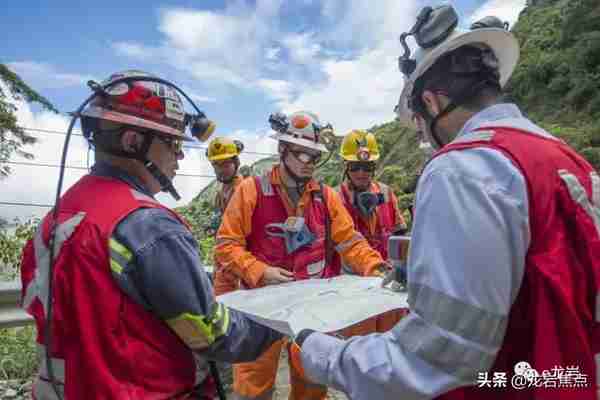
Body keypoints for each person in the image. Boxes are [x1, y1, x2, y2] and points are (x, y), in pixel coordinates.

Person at [290, 5, 600, 400]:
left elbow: (437, 357)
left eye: (418, 121)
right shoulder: (570, 161)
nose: (425, 136)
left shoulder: (461, 167)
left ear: (432, 103)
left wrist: (324, 355)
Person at [20, 70, 281, 400]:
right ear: (133, 141)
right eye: (172, 142)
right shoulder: (150, 226)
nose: (180, 156)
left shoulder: (60, 214)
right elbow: (212, 334)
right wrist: (281, 321)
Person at [215, 110, 390, 400]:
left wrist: (377, 267)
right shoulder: (251, 191)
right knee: (252, 389)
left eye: (315, 156)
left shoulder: (324, 196)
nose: (310, 164)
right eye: (304, 155)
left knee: (312, 385)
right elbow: (226, 246)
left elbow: (351, 242)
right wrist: (261, 271)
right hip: (260, 310)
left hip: (311, 310)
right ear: (283, 150)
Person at [335, 129, 408, 335]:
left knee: (393, 339)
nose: (361, 173)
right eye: (355, 166)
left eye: (366, 167)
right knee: (359, 345)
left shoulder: (386, 193)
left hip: (388, 281)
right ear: (346, 167)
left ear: (374, 167)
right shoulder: (334, 200)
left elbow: (400, 233)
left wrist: (402, 269)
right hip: (351, 288)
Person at [206, 137, 245, 295]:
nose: (221, 169)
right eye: (216, 164)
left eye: (225, 164)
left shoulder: (243, 190)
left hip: (236, 261)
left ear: (236, 163)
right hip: (223, 260)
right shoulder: (221, 192)